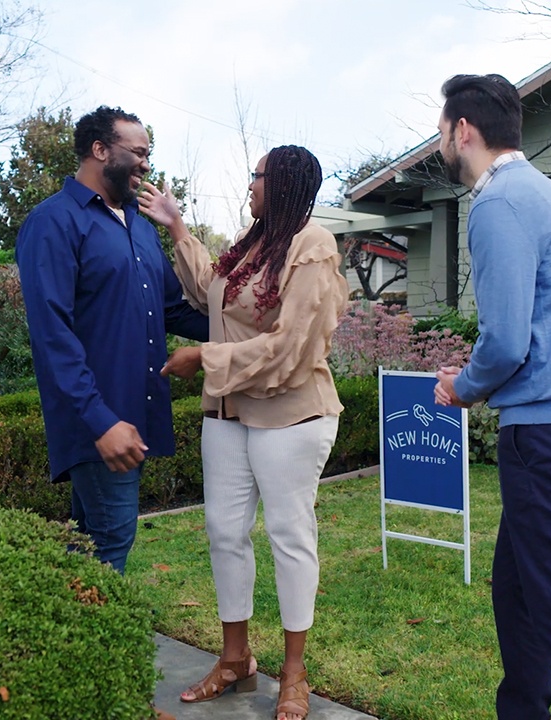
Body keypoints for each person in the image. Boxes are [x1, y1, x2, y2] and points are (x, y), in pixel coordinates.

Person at [433, 74, 551, 720]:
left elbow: (508, 341)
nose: (441, 142)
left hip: (545, 435)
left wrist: (463, 385)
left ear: (464, 131)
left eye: (442, 130)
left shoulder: (499, 204)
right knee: (518, 593)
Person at [137, 144, 347, 720]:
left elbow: (291, 347)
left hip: (291, 414)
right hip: (230, 413)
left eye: (257, 177)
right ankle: (235, 660)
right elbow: (212, 287)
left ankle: (295, 674)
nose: (249, 185)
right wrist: (177, 224)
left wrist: (204, 358)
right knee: (224, 530)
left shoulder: (313, 246)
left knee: (288, 535)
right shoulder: (255, 243)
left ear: (282, 183)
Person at [16, 105, 209, 577]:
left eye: (148, 154)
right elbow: (52, 335)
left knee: (88, 543)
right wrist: (102, 423)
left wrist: (248, 326)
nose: (146, 164)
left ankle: (63, 641)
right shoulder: (53, 222)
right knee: (111, 539)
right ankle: (94, 649)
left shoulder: (140, 229)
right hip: (96, 422)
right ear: (101, 150)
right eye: (139, 152)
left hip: (133, 417)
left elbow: (172, 310)